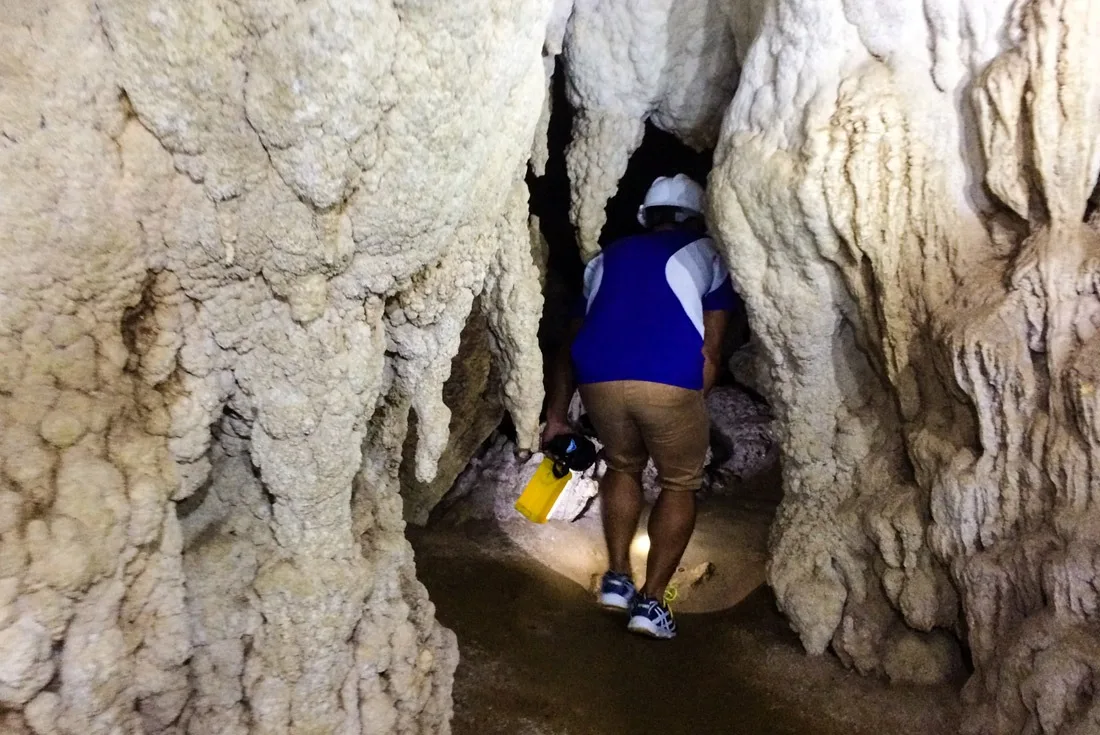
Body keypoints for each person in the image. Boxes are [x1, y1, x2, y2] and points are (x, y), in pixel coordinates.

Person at [542, 173, 738, 640]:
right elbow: (711, 347)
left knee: (623, 466)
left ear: (647, 216)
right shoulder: (709, 252)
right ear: (699, 216)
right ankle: (652, 605)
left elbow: (570, 345)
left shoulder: (604, 258)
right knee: (679, 481)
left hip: (598, 377)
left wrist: (556, 414)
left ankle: (616, 581)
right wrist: (687, 401)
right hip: (668, 376)